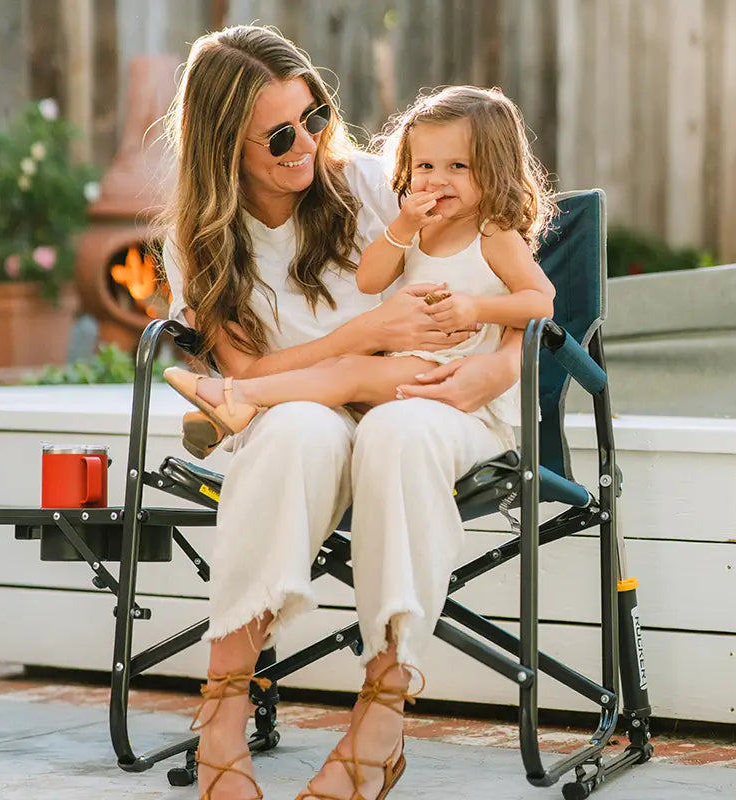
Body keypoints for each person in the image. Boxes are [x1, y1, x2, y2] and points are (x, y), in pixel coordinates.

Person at [160, 24, 554, 800]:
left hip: (425, 401)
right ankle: (221, 723)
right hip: (295, 411)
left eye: (314, 118)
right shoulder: (201, 236)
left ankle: (380, 721)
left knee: (397, 431)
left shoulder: (381, 186)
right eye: (278, 134)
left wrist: (502, 367)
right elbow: (248, 370)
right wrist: (356, 349)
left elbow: (503, 282)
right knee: (296, 431)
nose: (305, 143)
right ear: (223, 146)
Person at [163, 85, 555, 447]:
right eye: (425, 167)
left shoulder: (493, 235)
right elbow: (369, 280)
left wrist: (480, 316)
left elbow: (541, 303)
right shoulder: (418, 225)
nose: (437, 181)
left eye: (458, 167)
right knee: (341, 367)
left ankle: (240, 396)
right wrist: (402, 229)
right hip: (408, 366)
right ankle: (233, 409)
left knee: (348, 372)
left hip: (449, 368)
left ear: (494, 169)